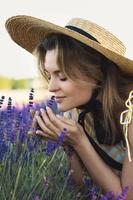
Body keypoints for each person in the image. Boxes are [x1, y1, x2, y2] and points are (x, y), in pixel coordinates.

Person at [5, 16, 133, 198]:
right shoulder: (78, 112)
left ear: (96, 74)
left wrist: (80, 141)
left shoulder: (130, 115)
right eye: (49, 76)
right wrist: (68, 144)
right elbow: (83, 189)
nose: (51, 87)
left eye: (62, 77)